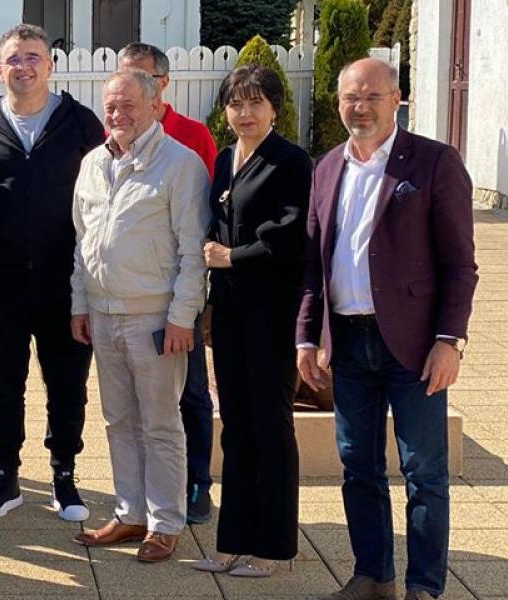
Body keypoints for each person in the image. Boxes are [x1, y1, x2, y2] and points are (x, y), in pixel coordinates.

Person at [299, 58, 477, 600]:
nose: (361, 107)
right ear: (338, 102)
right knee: (358, 466)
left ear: (396, 99)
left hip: (416, 345)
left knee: (424, 472)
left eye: (373, 96)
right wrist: (306, 336)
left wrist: (449, 340)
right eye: (351, 97)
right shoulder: (326, 168)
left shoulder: (434, 162)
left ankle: (424, 587)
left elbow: (460, 265)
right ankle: (373, 576)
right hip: (348, 343)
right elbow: (313, 264)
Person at [0, 24, 104, 522]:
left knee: (67, 382)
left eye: (33, 57)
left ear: (51, 65)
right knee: (1, 383)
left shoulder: (81, 123)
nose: (24, 67)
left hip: (65, 282)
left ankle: (65, 475)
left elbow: (102, 203)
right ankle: (8, 475)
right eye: (14, 59)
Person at [67, 68, 209, 562]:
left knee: (161, 423)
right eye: (110, 106)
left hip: (155, 319)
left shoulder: (181, 164)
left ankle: (165, 523)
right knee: (118, 420)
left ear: (155, 106)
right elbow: (83, 243)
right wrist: (80, 304)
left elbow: (193, 252)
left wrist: (182, 317)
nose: (117, 114)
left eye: (128, 105)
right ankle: (130, 513)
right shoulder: (92, 163)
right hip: (103, 314)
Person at [189, 65, 311, 578]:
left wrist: (232, 258)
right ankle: (231, 541)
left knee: (270, 425)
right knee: (236, 426)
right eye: (236, 103)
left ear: (275, 108)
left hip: (272, 313)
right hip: (231, 312)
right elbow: (217, 229)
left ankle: (273, 547)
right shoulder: (224, 159)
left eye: (256, 102)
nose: (245, 113)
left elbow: (291, 237)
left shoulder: (291, 161)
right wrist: (212, 304)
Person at [117, 42, 219, 523]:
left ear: (162, 85)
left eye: (144, 79)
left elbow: (205, 218)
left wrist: (194, 302)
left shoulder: (192, 137)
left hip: (177, 296)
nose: (133, 89)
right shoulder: (114, 136)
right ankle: (143, 494)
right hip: (126, 301)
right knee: (134, 405)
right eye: (125, 78)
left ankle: (198, 483)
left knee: (191, 392)